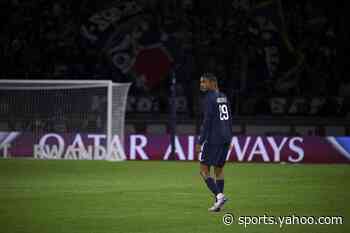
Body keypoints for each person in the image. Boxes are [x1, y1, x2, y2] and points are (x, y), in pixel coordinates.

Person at [195, 73, 233, 212]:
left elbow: (207, 122)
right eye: (201, 82)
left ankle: (219, 195)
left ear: (212, 83)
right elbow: (229, 118)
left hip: (214, 138)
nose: (201, 85)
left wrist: (200, 142)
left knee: (203, 169)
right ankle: (218, 205)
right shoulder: (223, 96)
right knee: (219, 169)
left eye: (204, 82)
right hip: (225, 138)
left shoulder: (209, 98)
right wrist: (230, 137)